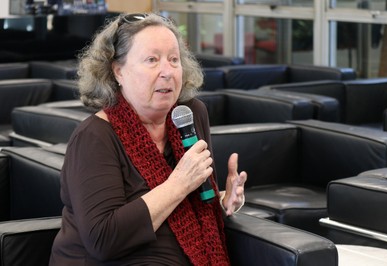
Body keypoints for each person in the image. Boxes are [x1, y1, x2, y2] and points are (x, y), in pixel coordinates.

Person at [49, 13, 247, 265]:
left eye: (174, 60)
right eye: (152, 60)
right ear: (118, 71)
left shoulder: (190, 113)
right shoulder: (93, 137)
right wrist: (178, 184)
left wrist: (221, 202)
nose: (167, 71)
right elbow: (102, 240)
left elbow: (189, 209)